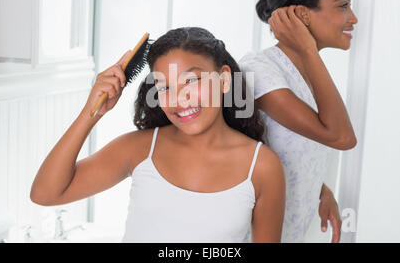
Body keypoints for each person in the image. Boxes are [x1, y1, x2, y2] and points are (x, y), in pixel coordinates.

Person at [30, 27, 285, 243]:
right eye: (164, 86)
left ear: (224, 80)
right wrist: (91, 112)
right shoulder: (139, 149)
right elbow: (46, 194)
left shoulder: (263, 167)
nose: (178, 99)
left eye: (192, 81)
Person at [239, 0, 358, 243]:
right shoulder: (258, 69)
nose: (353, 18)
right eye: (343, 6)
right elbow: (341, 137)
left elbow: (289, 150)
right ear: (302, 14)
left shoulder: (309, 76)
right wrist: (307, 48)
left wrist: (320, 189)